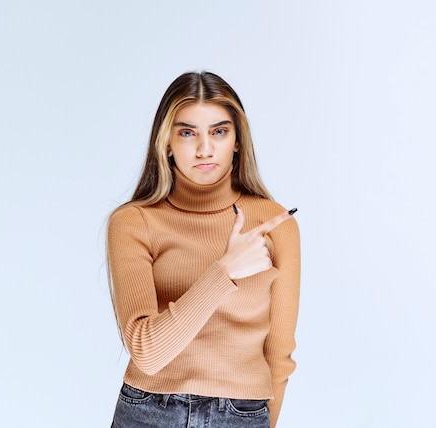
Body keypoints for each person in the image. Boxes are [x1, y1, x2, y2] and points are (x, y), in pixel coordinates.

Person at [106, 71, 300, 428]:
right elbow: (147, 354)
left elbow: (280, 353)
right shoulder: (134, 221)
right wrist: (224, 271)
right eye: (187, 132)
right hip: (147, 411)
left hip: (243, 415)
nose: (205, 149)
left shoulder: (275, 223)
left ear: (238, 140)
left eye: (219, 131)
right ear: (166, 143)